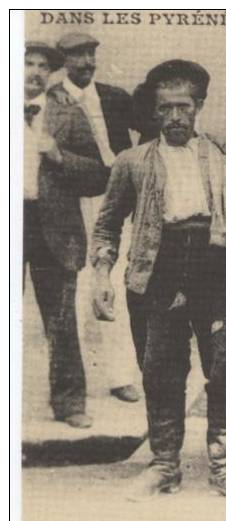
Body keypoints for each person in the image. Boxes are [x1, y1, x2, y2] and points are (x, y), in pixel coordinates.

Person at [91, 60, 226, 501]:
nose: (174, 117)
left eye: (183, 107)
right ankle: (164, 465)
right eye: (164, 108)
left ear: (198, 106)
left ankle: (225, 466)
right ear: (154, 111)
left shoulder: (224, 155)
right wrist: (101, 274)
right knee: (161, 371)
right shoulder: (133, 163)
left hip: (219, 269)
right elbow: (107, 225)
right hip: (157, 270)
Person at [23, 41, 107, 429]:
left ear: (53, 73)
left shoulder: (68, 114)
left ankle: (70, 402)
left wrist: (58, 156)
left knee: (60, 319)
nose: (34, 72)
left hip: (53, 229)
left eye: (43, 66)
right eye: (27, 63)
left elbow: (97, 176)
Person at [54, 32, 141, 403]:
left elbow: (147, 130)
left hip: (114, 200)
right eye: (78, 56)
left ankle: (122, 375)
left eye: (91, 55)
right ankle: (74, 385)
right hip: (72, 203)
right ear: (64, 62)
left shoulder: (114, 97)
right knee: (74, 290)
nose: (87, 63)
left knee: (116, 281)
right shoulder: (50, 103)